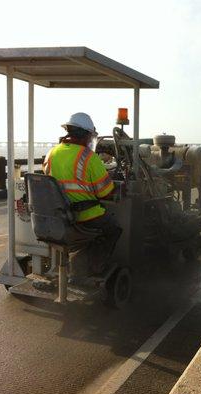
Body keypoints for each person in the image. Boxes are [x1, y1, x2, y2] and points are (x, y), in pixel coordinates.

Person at [43, 112, 122, 284]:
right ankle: (87, 271)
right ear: (86, 135)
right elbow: (105, 193)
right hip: (84, 216)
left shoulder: (51, 153)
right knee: (113, 229)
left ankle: (71, 265)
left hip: (57, 217)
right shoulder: (88, 157)